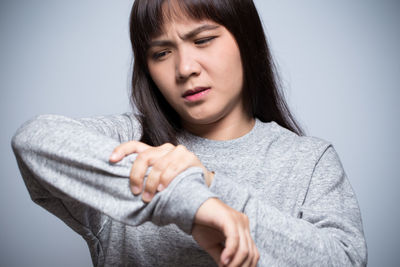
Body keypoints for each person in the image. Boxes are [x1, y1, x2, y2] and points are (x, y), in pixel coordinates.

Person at [11, 0, 367, 266]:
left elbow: (346, 260)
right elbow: (34, 139)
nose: (184, 68)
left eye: (203, 40)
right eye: (162, 52)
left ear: (247, 42)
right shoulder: (130, 141)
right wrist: (189, 203)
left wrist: (211, 186)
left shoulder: (308, 162)